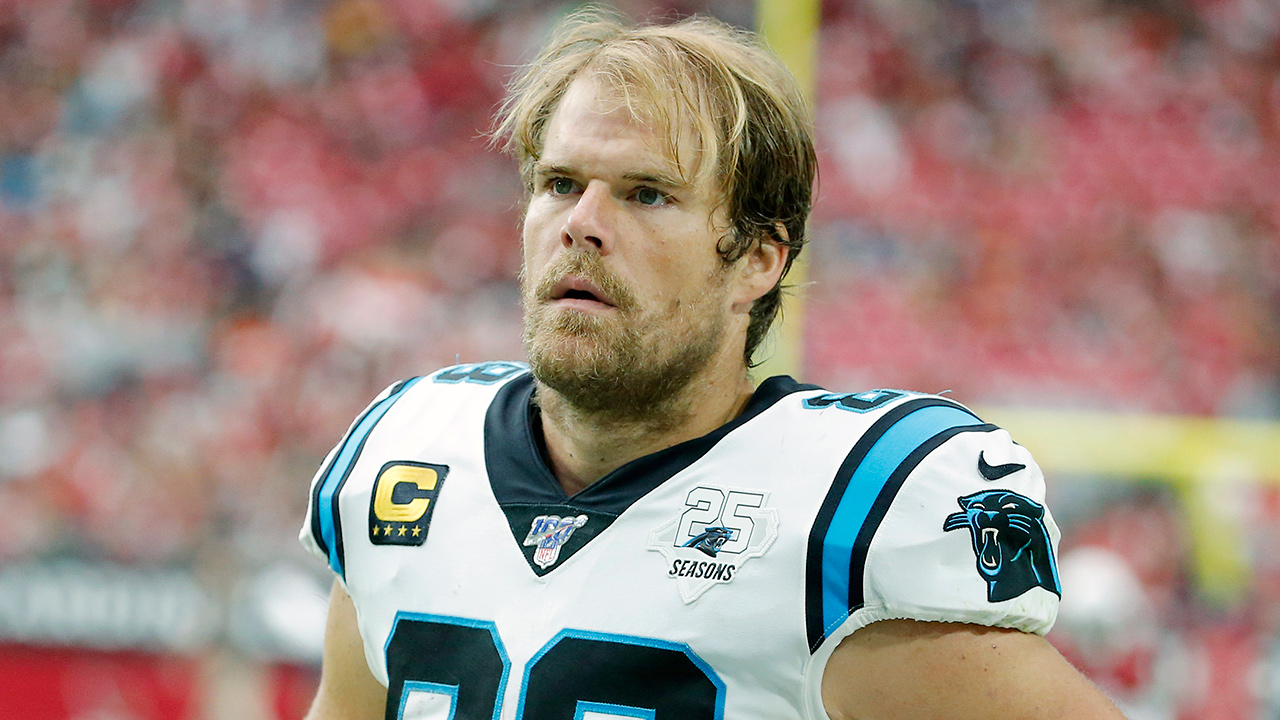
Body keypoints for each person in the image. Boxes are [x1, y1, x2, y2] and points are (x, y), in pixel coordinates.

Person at [299, 9, 1126, 719]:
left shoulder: (837, 516)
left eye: (646, 194)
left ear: (759, 260)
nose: (581, 223)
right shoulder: (407, 453)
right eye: (558, 183)